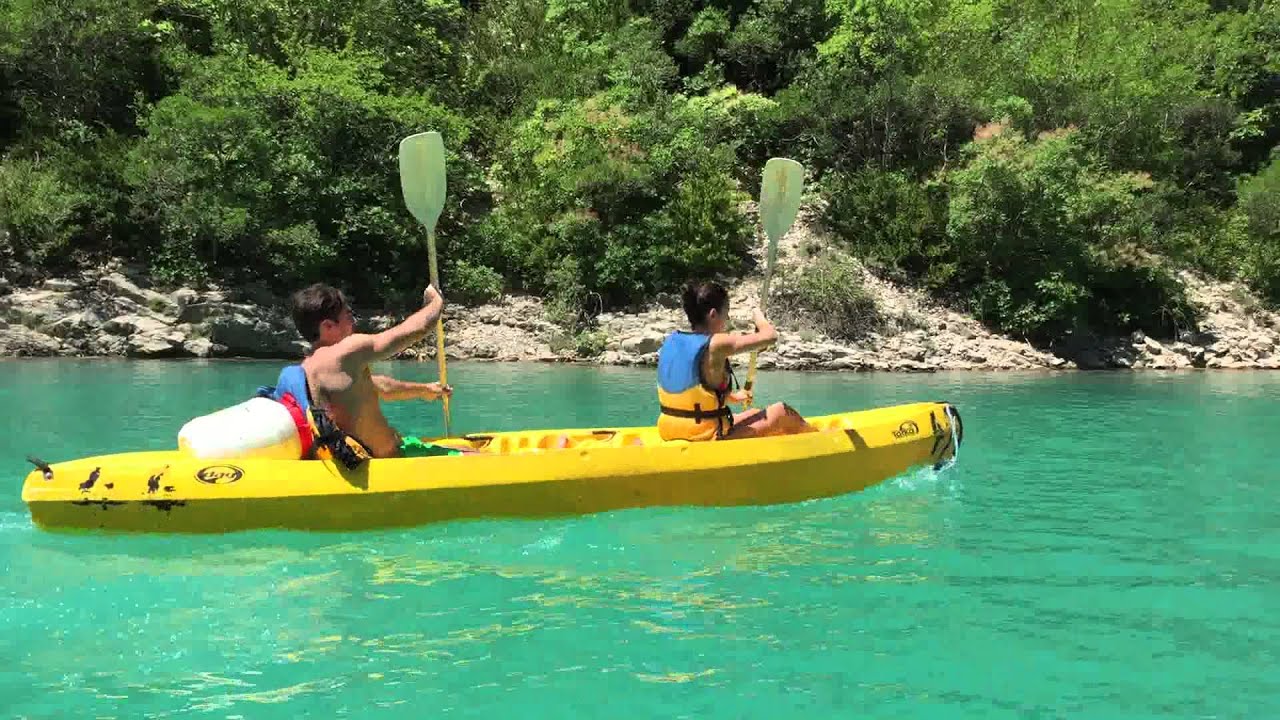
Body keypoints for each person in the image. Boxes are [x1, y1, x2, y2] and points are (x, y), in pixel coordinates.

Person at [268, 282, 463, 465]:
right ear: (328, 326)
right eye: (348, 315)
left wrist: (424, 390)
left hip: (360, 462)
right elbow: (416, 329)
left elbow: (378, 386)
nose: (353, 321)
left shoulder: (309, 369)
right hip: (388, 463)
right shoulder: (345, 351)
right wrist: (435, 300)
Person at [656, 280, 816, 442]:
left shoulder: (671, 340)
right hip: (706, 437)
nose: (727, 320)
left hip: (670, 432)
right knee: (781, 411)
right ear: (713, 314)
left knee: (754, 413)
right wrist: (759, 316)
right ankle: (819, 440)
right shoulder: (717, 343)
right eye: (726, 314)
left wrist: (734, 397)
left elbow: (692, 397)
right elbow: (770, 337)